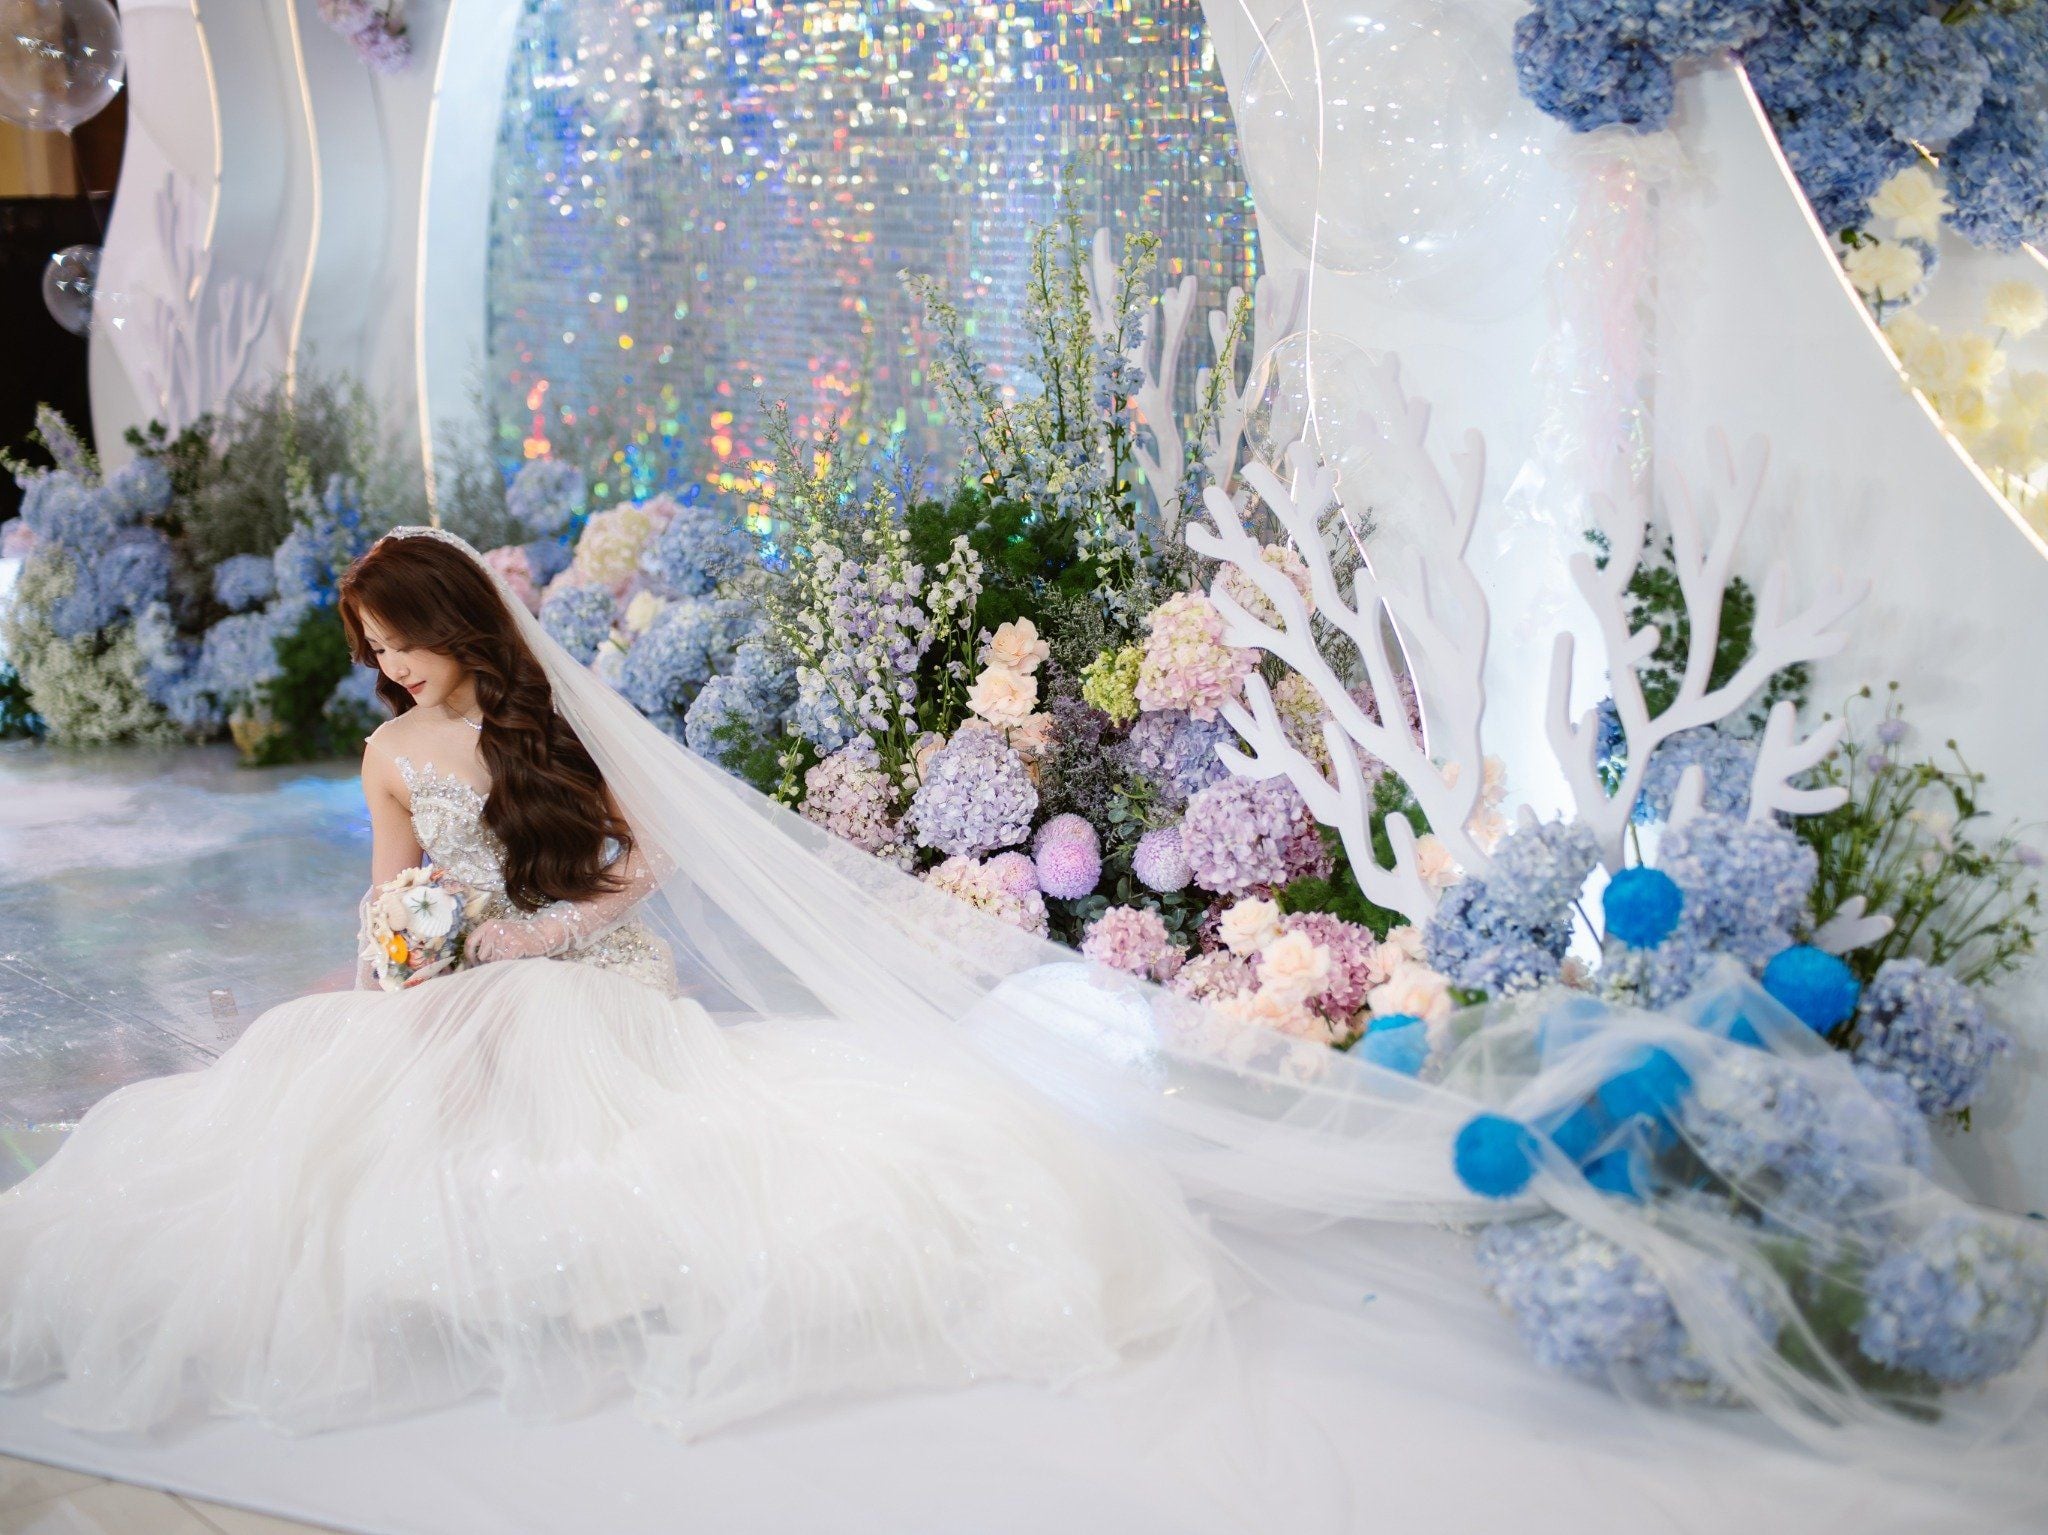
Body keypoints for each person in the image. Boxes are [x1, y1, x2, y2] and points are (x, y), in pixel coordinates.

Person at [0, 528, 1223, 1437]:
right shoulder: (390, 751)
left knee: (586, 1071)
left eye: (403, 639)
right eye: (374, 649)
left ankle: (577, 1253)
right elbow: (387, 893)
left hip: (588, 962)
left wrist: (549, 933)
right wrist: (396, 968)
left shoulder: (547, 717)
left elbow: (651, 852)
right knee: (331, 1092)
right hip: (467, 968)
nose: (391, 664)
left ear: (456, 622)